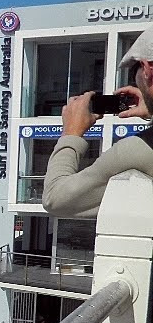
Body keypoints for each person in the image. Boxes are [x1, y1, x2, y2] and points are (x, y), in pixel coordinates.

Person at [43, 24, 153, 218]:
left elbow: (55, 198)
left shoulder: (138, 150)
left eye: (133, 70)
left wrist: (71, 134)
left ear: (147, 70)